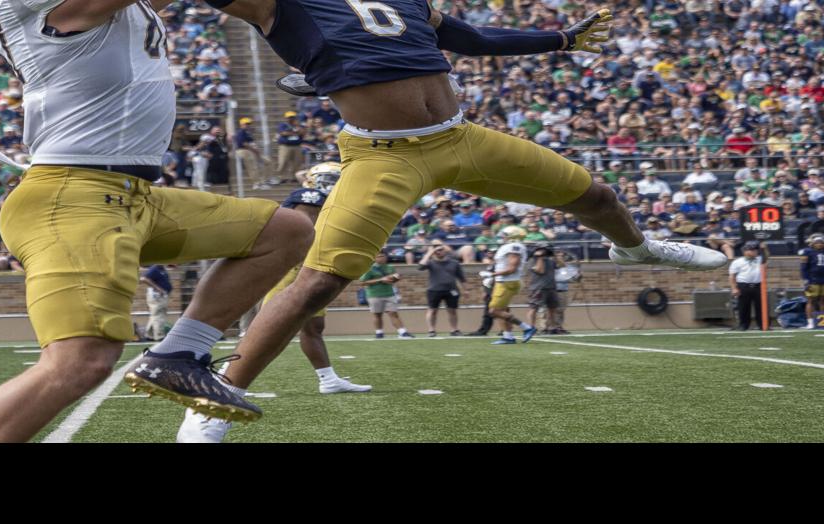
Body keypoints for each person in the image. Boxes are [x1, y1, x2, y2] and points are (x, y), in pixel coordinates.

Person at [207, 1, 725, 403]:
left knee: (596, 196)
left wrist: (562, 39)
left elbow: (469, 38)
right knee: (318, 281)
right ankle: (217, 398)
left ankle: (635, 249)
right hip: (382, 154)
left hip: (460, 138)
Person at [0, 0, 312, 442]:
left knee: (284, 231)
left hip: (131, 195)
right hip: (72, 198)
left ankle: (177, 354)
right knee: (79, 361)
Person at [180, 164, 371, 443]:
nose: (334, 183)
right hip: (293, 267)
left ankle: (327, 378)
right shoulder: (308, 196)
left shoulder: (333, 199)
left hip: (311, 267)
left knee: (314, 326)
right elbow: (305, 229)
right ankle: (226, 378)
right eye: (330, 178)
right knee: (272, 324)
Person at [483, 226, 537, 344]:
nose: (503, 237)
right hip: (505, 281)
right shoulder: (511, 247)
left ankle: (527, 327)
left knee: (494, 311)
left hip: (507, 282)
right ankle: (508, 336)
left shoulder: (513, 247)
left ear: (513, 236)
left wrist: (492, 274)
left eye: (505, 235)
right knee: (502, 310)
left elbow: (512, 268)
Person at [357, 251, 415, 338]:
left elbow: (393, 280)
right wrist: (381, 280)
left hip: (389, 293)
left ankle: (402, 332)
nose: (381, 258)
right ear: (375, 258)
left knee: (393, 313)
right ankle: (379, 333)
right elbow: (362, 282)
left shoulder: (390, 267)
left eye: (383, 256)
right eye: (379, 256)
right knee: (377, 315)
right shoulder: (370, 269)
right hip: (374, 295)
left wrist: (396, 278)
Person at [418, 243, 465, 336]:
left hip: (451, 290)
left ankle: (454, 330)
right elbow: (420, 266)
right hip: (434, 290)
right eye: (437, 250)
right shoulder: (430, 262)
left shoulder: (454, 263)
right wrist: (430, 252)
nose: (438, 252)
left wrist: (466, 290)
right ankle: (431, 330)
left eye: (440, 250)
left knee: (452, 311)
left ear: (445, 251)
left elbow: (461, 278)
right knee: (432, 310)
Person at [799, 234, 824, 329]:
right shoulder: (807, 252)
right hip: (813, 280)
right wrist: (805, 280)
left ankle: (822, 321)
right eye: (817, 242)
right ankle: (810, 322)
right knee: (811, 301)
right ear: (812, 243)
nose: (819, 244)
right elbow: (803, 268)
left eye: (821, 242)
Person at [526, 243, 561, 338]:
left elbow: (561, 265)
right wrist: (539, 257)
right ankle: (531, 328)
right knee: (533, 308)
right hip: (538, 288)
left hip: (551, 287)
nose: (544, 252)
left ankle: (552, 327)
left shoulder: (549, 260)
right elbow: (540, 270)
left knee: (552, 308)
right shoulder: (532, 261)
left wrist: (556, 255)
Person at [728, 242, 766, 331]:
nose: (753, 252)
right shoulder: (737, 262)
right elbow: (732, 276)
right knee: (743, 307)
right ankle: (743, 325)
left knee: (761, 306)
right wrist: (734, 288)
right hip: (743, 286)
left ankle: (763, 325)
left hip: (758, 286)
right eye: (751, 250)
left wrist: (765, 249)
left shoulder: (760, 259)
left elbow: (767, 257)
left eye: (755, 250)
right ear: (744, 251)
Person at [142, 264, 173, 341]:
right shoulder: (155, 268)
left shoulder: (162, 268)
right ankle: (159, 336)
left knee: (155, 315)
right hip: (157, 296)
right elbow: (144, 279)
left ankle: (149, 336)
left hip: (162, 295)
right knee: (159, 315)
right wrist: (158, 289)